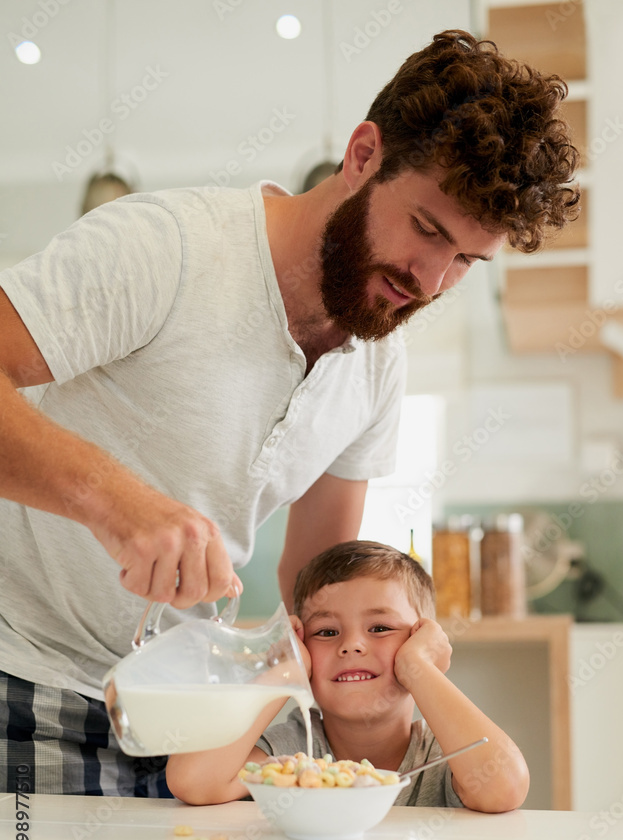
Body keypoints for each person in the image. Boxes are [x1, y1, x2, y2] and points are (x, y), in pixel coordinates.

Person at [0, 29, 578, 796]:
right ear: (363, 155)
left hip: (172, 722)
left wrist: (390, 650)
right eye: (428, 230)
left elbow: (317, 582)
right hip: (19, 677)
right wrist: (119, 506)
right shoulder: (167, 249)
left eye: (467, 261)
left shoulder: (376, 365)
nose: (432, 281)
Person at [166, 541, 530, 810]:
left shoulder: (444, 752)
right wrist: (285, 671)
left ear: (420, 638)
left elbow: (506, 787)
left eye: (381, 628)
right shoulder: (294, 752)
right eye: (326, 632)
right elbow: (193, 781)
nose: (352, 645)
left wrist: (421, 667)